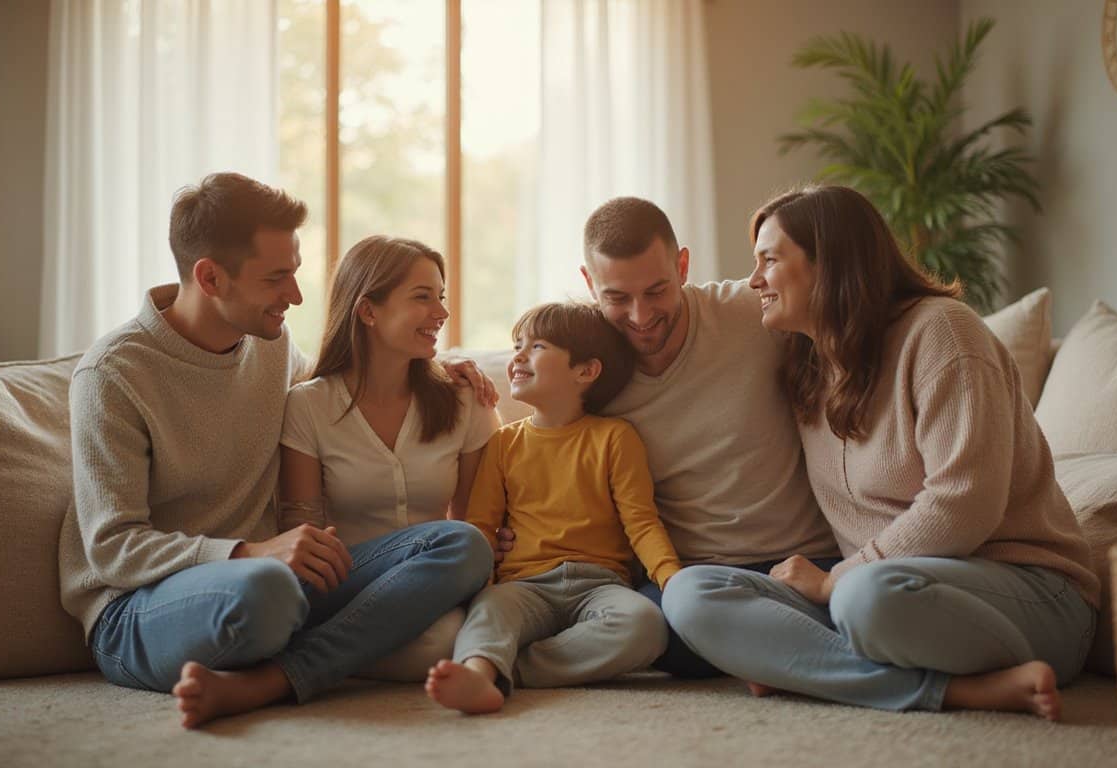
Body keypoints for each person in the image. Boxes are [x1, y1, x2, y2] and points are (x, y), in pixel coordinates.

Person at [58, 173, 495, 729]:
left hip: (277, 585)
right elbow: (112, 549)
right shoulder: (114, 374)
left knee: (461, 544)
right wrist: (249, 552)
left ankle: (273, 681)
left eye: (295, 272)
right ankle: (303, 657)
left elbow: (345, 388)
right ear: (210, 277)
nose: (296, 296)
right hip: (140, 610)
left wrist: (437, 368)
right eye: (277, 278)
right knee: (266, 592)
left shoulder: (270, 343)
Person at [662, 185, 1099, 720]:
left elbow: (966, 504)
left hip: (1030, 596)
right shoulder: (809, 362)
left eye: (769, 261)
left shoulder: (942, 332)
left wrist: (834, 580)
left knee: (864, 598)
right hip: (884, 597)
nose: (754, 281)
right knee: (689, 593)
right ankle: (958, 690)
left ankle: (810, 667)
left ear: (831, 264)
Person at [544, 196, 837, 678]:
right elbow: (532, 420)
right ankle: (778, 650)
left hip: (803, 560)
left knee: (860, 604)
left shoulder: (753, 312)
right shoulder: (587, 366)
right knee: (651, 630)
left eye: (657, 290)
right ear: (588, 283)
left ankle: (764, 652)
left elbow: (853, 325)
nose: (640, 316)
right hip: (691, 580)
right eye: (617, 297)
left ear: (682, 265)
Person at [425, 302, 681, 714]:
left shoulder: (615, 437)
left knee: (645, 625)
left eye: (537, 346)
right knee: (490, 611)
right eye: (516, 346)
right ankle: (479, 671)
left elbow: (641, 522)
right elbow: (481, 527)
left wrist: (672, 579)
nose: (518, 357)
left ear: (585, 371)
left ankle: (509, 669)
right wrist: (482, 588)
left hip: (600, 585)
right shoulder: (503, 444)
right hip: (524, 585)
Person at [277, 235, 501, 681]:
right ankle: (340, 652)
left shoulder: (466, 401)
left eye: (441, 297)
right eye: (423, 298)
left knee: (443, 633)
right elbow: (302, 537)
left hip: (435, 585)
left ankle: (293, 671)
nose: (442, 313)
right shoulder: (308, 405)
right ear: (368, 311)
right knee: (440, 630)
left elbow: (478, 525)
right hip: (341, 579)